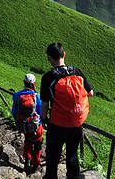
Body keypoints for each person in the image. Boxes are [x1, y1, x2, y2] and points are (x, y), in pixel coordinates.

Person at [40, 42, 93, 179]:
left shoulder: (48, 77)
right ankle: (74, 177)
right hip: (76, 123)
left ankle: (51, 177)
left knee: (53, 154)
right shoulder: (77, 71)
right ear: (64, 55)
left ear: (49, 57)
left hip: (57, 123)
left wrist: (44, 119)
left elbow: (45, 103)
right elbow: (90, 92)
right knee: (72, 152)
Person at [12, 73, 43, 174]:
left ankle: (27, 161)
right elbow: (41, 112)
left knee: (27, 140)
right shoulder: (37, 96)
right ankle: (35, 165)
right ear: (34, 83)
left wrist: (20, 121)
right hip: (36, 126)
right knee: (38, 144)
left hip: (24, 125)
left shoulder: (17, 95)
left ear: (24, 82)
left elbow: (14, 112)